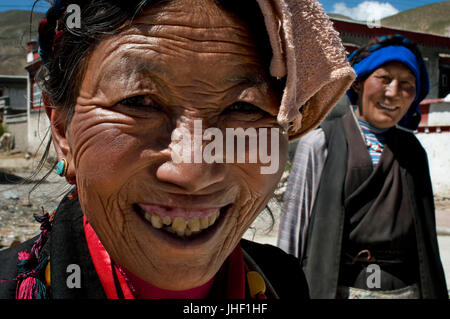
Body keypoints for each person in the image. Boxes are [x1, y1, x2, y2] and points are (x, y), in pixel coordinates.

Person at [0, 0, 354, 299]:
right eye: (139, 102)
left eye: (243, 108)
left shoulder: (283, 280)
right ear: (62, 129)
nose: (192, 172)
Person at [278, 34, 448, 299]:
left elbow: (426, 241)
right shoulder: (319, 142)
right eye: (384, 78)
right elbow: (292, 232)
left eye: (406, 85)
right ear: (358, 82)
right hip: (335, 288)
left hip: (405, 292)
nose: (393, 93)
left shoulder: (413, 151)